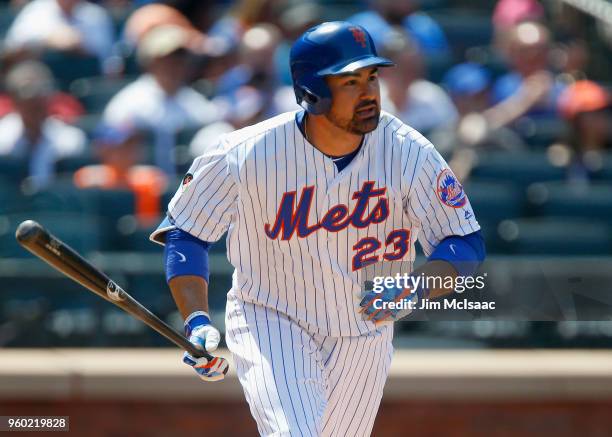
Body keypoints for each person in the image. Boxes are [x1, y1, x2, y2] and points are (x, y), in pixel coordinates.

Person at [150, 22, 485, 436]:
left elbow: (464, 241)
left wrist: (416, 288)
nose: (368, 93)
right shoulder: (243, 154)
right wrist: (197, 319)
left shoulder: (409, 152)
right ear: (312, 92)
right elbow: (187, 232)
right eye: (350, 81)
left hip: (365, 330)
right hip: (271, 317)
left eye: (372, 77)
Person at [102, 24, 220, 176]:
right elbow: (112, 152)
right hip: (143, 191)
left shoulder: (196, 103)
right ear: (150, 62)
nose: (173, 66)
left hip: (189, 191)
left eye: (179, 59)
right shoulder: (128, 103)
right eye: (166, 59)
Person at [0, 60, 86, 188]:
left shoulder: (70, 140)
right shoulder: (2, 137)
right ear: (14, 101)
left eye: (39, 103)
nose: (34, 108)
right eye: (28, 103)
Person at [378, 27, 458, 133]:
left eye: (413, 66)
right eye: (403, 66)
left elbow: (451, 133)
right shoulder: (368, 98)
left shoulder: (432, 96)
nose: (409, 73)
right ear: (384, 69)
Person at [4, 0, 115, 71]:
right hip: (43, 80)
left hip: (82, 79)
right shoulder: (36, 9)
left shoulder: (95, 15)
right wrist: (47, 39)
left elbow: (106, 59)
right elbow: (11, 49)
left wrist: (76, 44)